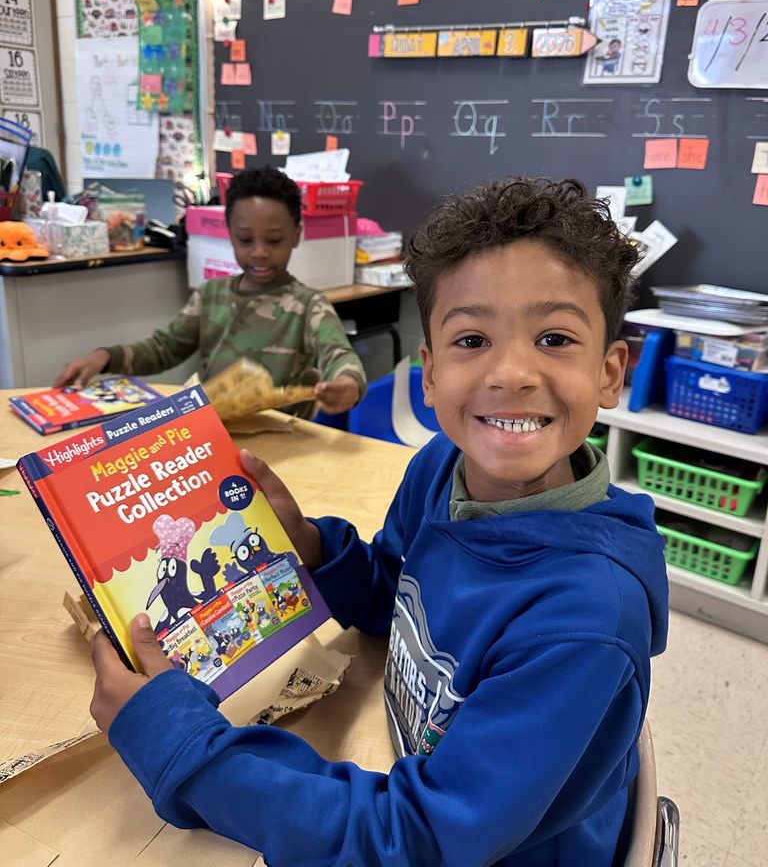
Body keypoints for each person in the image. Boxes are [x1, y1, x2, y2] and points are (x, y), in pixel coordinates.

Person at [89, 177, 668, 866]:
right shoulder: (440, 467)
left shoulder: (583, 622)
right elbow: (395, 598)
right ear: (430, 374)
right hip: (411, 774)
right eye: (472, 338)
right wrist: (311, 548)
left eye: (554, 338)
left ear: (609, 373)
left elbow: (415, 841)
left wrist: (175, 742)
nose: (511, 373)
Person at [54, 166, 365, 417]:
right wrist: (105, 356)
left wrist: (347, 382)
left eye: (274, 241)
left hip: (284, 441)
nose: (259, 252)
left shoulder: (308, 304)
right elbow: (164, 348)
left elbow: (339, 354)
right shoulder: (211, 295)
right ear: (230, 233)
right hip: (217, 433)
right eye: (245, 240)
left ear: (296, 235)